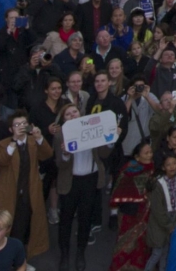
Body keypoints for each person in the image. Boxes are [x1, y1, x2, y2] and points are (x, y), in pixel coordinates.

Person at [54, 103, 113, 271]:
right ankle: (64, 254)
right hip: (70, 181)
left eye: (75, 112)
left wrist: (109, 140)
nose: (73, 115)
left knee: (85, 218)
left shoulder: (92, 128)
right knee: (65, 220)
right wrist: (65, 154)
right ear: (63, 118)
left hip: (90, 180)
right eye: (68, 114)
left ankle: (81, 252)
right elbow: (59, 163)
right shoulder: (60, 135)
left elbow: (103, 154)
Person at [0, 111, 51, 261]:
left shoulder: (32, 142)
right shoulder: (3, 144)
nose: (21, 127)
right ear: (11, 129)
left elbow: (47, 155)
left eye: (24, 124)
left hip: (30, 193)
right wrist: (13, 141)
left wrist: (39, 138)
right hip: (10, 193)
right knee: (10, 228)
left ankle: (21, 261)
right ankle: (7, 261)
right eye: (17, 125)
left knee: (27, 228)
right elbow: (2, 161)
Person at [108, 142, 156, 271]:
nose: (150, 155)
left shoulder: (154, 170)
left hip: (147, 215)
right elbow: (117, 191)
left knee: (143, 247)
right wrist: (113, 213)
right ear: (137, 157)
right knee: (125, 244)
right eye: (146, 153)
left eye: (151, 152)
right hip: (129, 214)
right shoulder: (128, 171)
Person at [144, 152, 176, 271]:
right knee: (157, 253)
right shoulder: (158, 183)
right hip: (160, 221)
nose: (172, 167)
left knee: (167, 252)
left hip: (175, 217)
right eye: (168, 165)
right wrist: (169, 225)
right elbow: (157, 209)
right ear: (163, 167)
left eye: (174, 163)